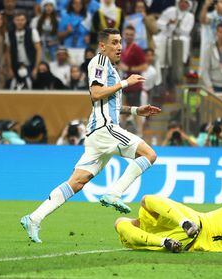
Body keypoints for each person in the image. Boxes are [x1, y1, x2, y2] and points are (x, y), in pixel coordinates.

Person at [21, 28, 162, 243]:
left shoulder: (110, 69)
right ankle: (114, 193)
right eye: (114, 42)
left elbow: (110, 104)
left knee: (76, 182)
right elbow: (96, 94)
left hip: (98, 132)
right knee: (149, 154)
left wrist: (135, 110)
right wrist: (126, 82)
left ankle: (34, 218)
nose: (119, 47)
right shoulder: (100, 62)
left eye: (120, 42)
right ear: (103, 45)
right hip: (106, 128)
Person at [119, 25, 148, 137]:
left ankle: (140, 133)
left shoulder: (137, 49)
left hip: (134, 86)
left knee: (136, 110)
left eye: (131, 35)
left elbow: (144, 66)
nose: (129, 36)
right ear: (123, 35)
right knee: (122, 109)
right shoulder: (122, 48)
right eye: (127, 34)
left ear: (134, 36)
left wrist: (129, 69)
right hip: (124, 84)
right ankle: (122, 131)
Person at [6, 12, 42, 81]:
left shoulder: (33, 32)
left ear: (26, 20)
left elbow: (39, 50)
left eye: (22, 20)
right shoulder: (9, 34)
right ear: (14, 21)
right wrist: (9, 69)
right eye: (17, 20)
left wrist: (36, 68)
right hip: (15, 66)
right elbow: (8, 53)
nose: (20, 22)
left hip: (30, 65)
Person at [58, 0, 91, 65]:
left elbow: (90, 33)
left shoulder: (87, 16)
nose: (77, 5)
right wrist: (67, 32)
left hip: (82, 47)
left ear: (83, 5)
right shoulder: (65, 16)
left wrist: (89, 37)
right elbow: (59, 35)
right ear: (71, 4)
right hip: (68, 47)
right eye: (75, 3)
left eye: (80, 3)